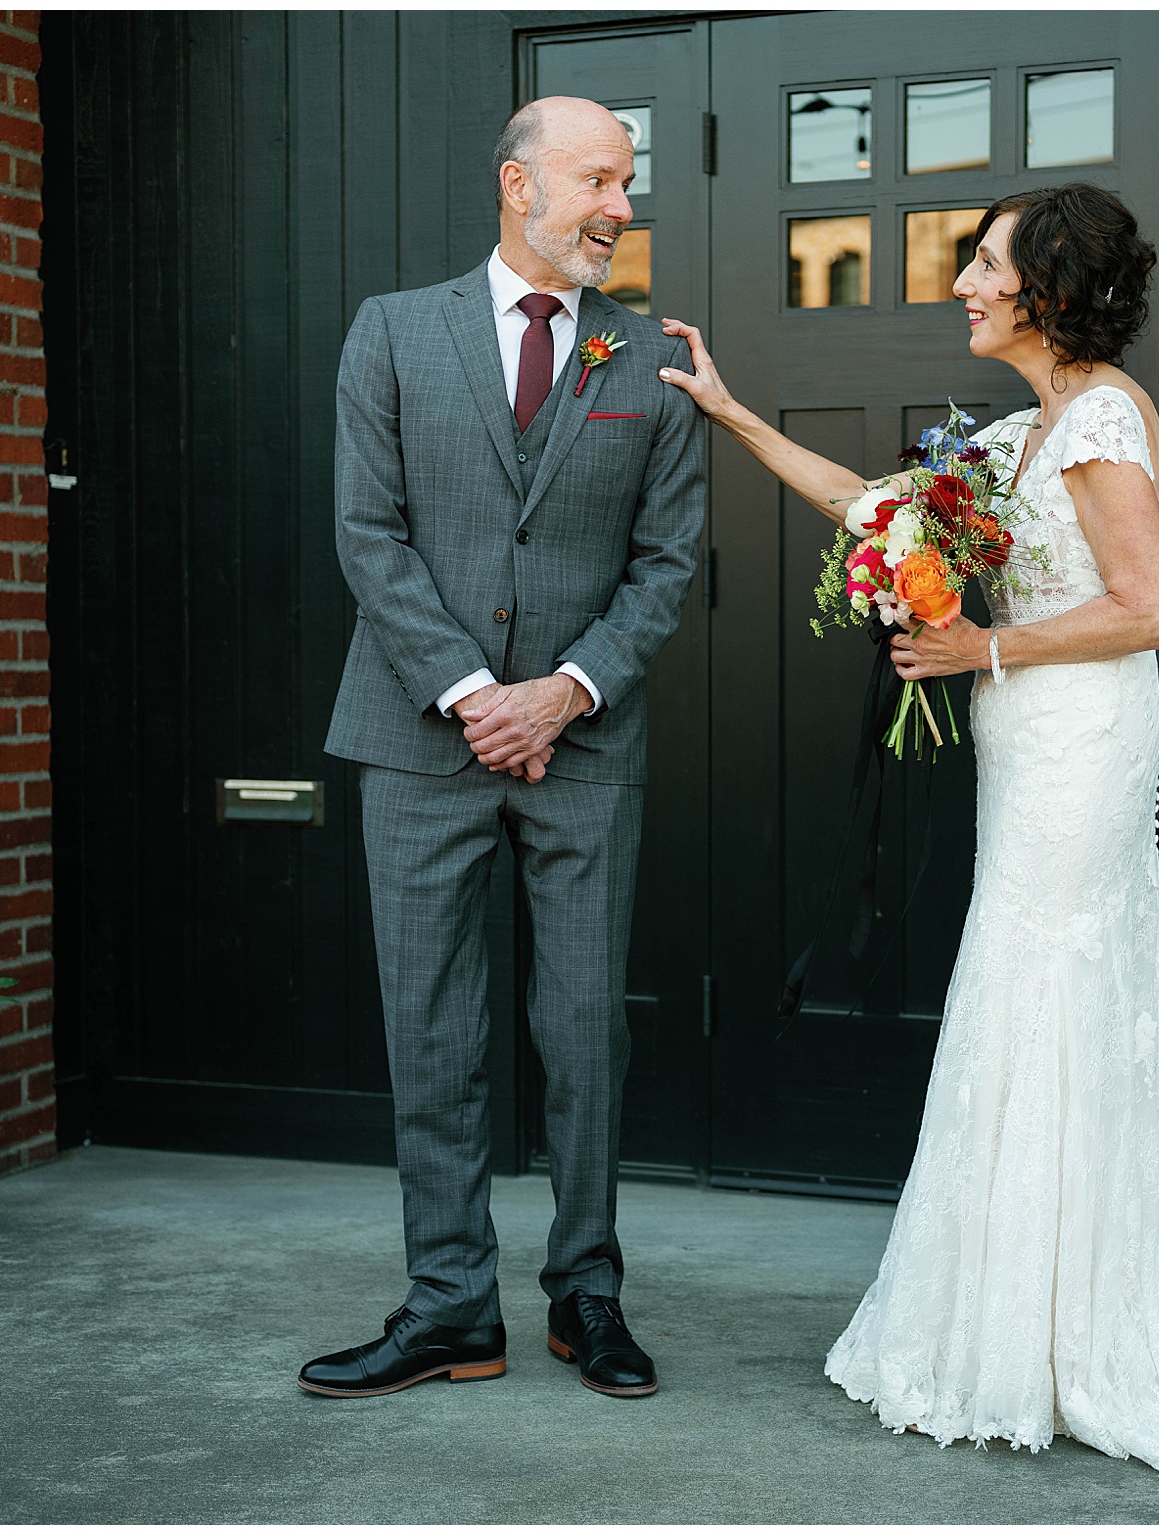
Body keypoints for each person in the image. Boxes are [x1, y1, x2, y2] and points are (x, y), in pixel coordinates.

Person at [657, 183, 1159, 1493]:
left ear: (1046, 289)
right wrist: (731, 413)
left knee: (1055, 992)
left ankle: (1071, 1340)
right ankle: (1017, 1325)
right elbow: (873, 503)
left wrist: (981, 644)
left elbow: (1150, 608)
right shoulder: (1021, 431)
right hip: (1028, 743)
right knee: (1022, 997)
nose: (963, 280)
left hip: (1079, 742)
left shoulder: (1101, 421)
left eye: (984, 262)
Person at [301, 97, 704, 1400]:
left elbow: (666, 565)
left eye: (628, 184)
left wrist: (564, 693)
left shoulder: (654, 359)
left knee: (586, 1029)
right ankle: (448, 1309)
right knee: (431, 1028)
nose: (621, 208)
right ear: (518, 186)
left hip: (584, 743)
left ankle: (589, 1295)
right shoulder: (395, 332)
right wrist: (479, 693)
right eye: (599, 180)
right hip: (421, 733)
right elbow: (371, 538)